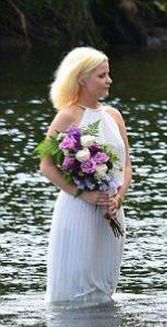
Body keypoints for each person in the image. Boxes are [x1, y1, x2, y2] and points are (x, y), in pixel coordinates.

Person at [40, 47, 132, 304]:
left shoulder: (114, 116)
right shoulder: (68, 116)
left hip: (111, 210)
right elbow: (47, 165)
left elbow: (126, 167)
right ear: (82, 79)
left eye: (108, 74)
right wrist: (84, 194)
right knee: (74, 284)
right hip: (78, 209)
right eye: (102, 76)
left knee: (104, 286)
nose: (109, 81)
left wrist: (118, 199)